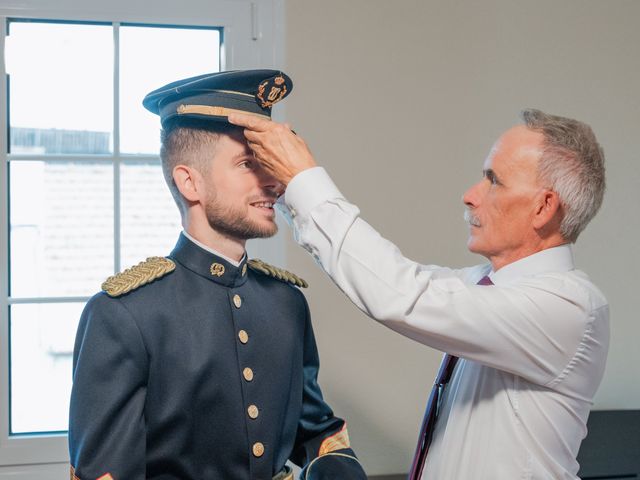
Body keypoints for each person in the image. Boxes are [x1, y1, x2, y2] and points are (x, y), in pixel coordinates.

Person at [228, 108, 609, 479]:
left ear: (543, 207)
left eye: (495, 180)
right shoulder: (484, 284)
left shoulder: (569, 308)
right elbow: (390, 276)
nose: (471, 195)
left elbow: (401, 294)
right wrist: (284, 194)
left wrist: (303, 178)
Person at [68, 70, 368, 480]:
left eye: (269, 165)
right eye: (248, 164)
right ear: (190, 182)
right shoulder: (122, 316)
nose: (275, 183)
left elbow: (317, 434)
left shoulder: (286, 303)